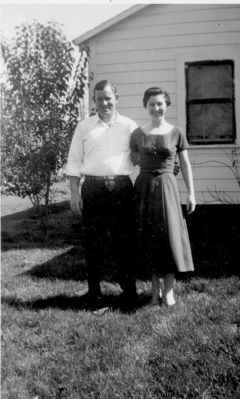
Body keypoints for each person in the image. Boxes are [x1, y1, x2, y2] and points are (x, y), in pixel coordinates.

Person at [66, 80, 138, 308]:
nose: (104, 103)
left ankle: (129, 294)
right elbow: (74, 161)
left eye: (108, 98)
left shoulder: (130, 126)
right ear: (94, 101)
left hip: (122, 189)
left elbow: (141, 156)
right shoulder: (84, 127)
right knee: (94, 244)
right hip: (93, 189)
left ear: (116, 98)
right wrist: (75, 194)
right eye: (99, 99)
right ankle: (94, 295)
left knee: (124, 243)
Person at [130, 87, 196, 307]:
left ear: (166, 105)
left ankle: (169, 291)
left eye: (160, 104)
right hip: (145, 189)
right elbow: (132, 159)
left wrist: (192, 193)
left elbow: (185, 164)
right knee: (149, 237)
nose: (156, 108)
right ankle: (154, 291)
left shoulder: (177, 132)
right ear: (145, 106)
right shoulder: (137, 134)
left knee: (169, 238)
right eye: (152, 104)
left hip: (168, 188)